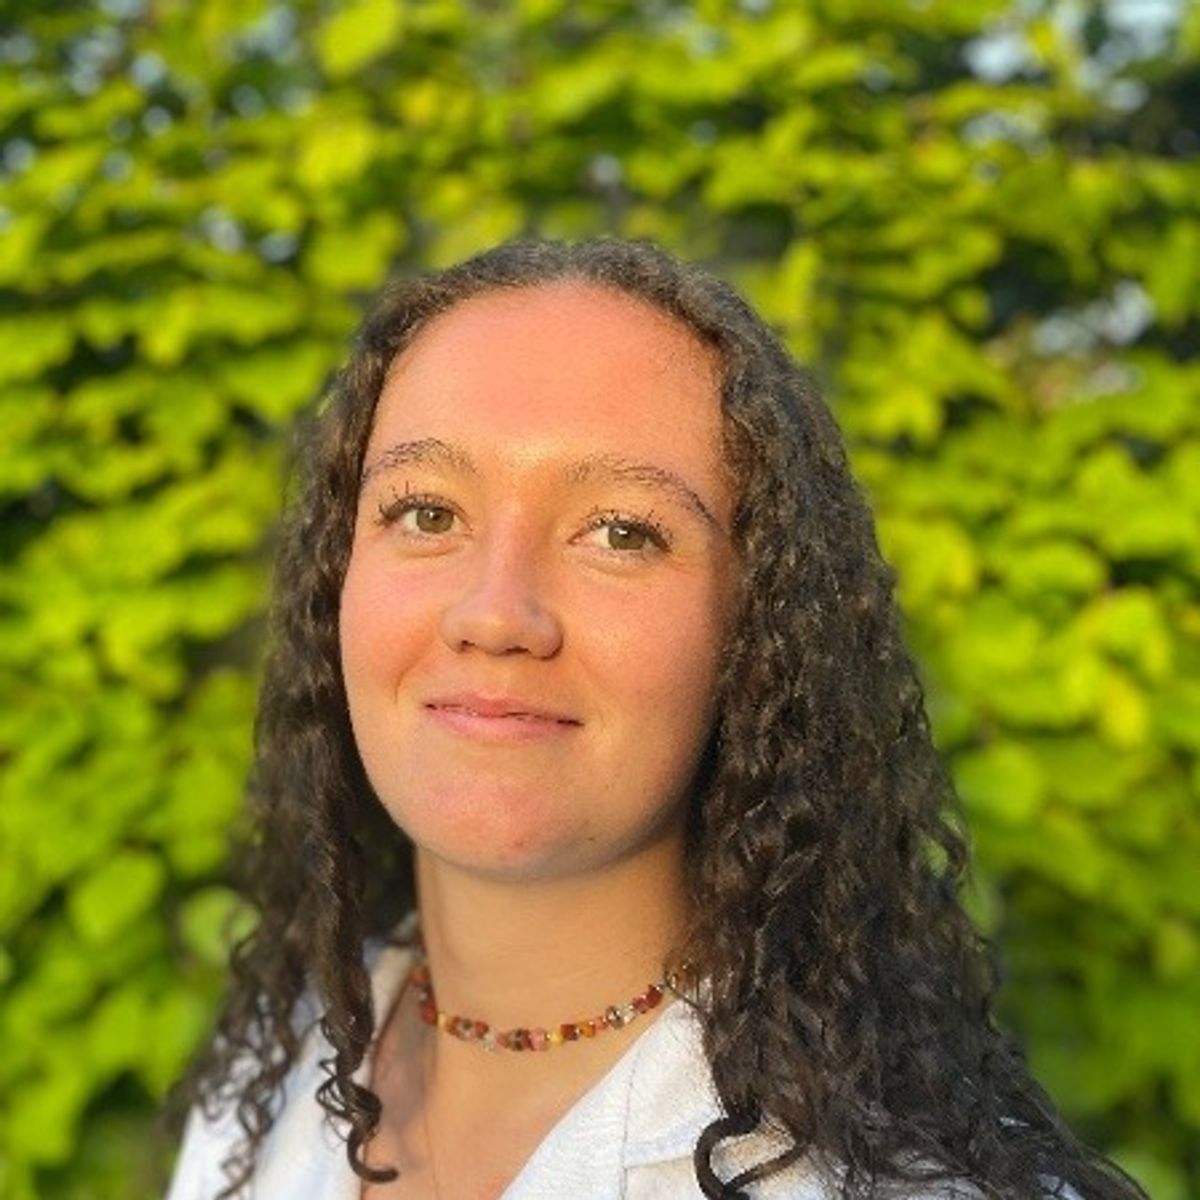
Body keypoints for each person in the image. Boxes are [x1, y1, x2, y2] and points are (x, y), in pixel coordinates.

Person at [166, 238, 1145, 1200]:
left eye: (622, 532)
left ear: (756, 635)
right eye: (425, 513)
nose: (494, 613)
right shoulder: (270, 1082)